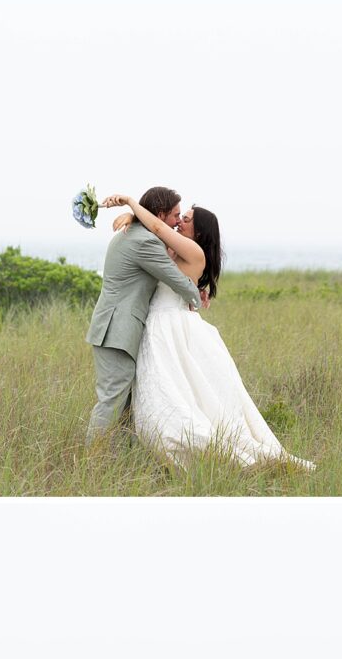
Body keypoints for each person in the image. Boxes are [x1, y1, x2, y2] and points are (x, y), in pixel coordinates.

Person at [101, 194, 315, 470]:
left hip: (169, 327)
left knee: (175, 395)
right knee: (176, 391)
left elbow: (157, 227)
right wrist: (132, 217)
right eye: (178, 217)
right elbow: (156, 228)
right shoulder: (177, 247)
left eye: (185, 219)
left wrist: (131, 203)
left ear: (198, 231)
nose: (178, 222)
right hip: (161, 325)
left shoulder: (193, 252)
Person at [85, 187, 202, 445]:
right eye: (175, 215)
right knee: (112, 400)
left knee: (125, 402)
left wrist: (132, 216)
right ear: (160, 215)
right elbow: (173, 277)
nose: (177, 222)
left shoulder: (135, 234)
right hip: (117, 329)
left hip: (115, 328)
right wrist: (197, 296)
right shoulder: (145, 242)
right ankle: (89, 459)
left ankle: (116, 460)